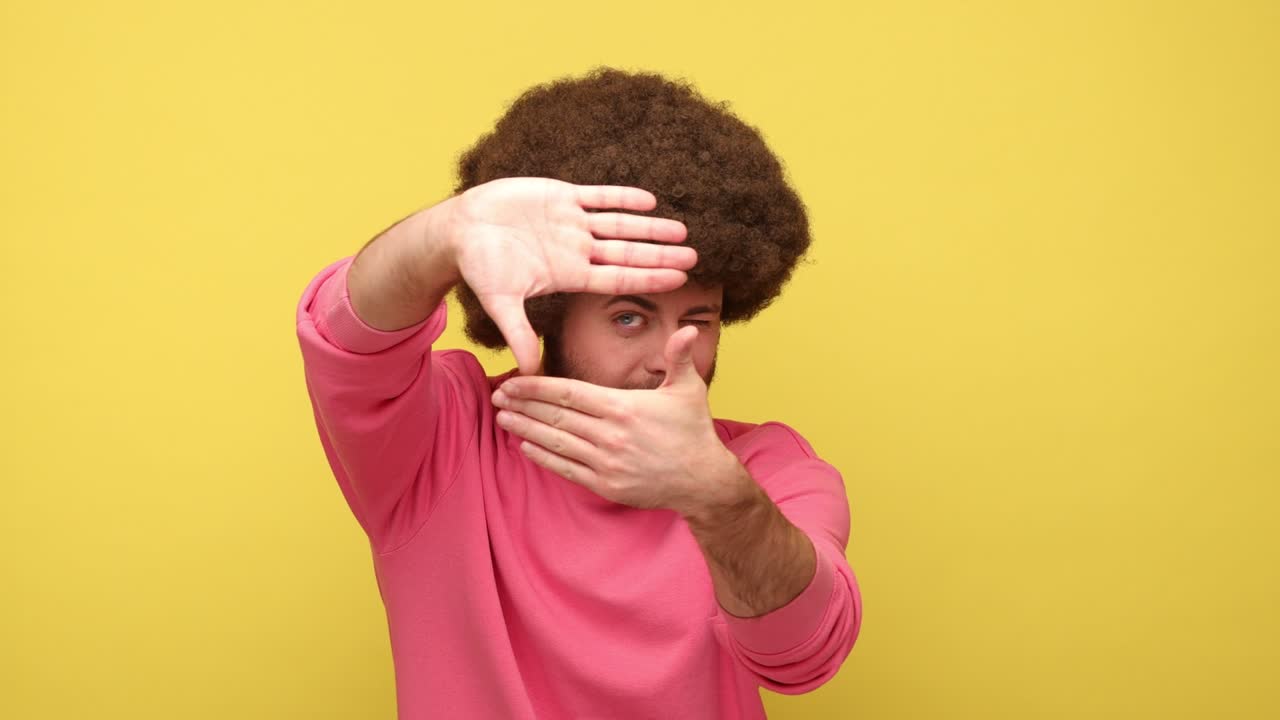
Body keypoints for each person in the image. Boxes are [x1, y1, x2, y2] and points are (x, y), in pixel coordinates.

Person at [295, 67, 862, 719]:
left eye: (697, 321)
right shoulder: (443, 441)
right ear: (549, 313)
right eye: (629, 317)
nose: (669, 357)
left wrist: (718, 501)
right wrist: (444, 235)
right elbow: (346, 337)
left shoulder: (767, 469)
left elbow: (803, 658)